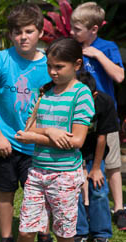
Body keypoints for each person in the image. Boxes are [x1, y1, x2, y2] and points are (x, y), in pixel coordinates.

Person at [0, 38, 95, 242]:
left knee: (64, 233)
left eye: (58, 67)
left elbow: (76, 141)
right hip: (37, 172)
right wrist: (50, 131)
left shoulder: (81, 95)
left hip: (65, 176)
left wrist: (38, 133)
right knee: (26, 230)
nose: (52, 72)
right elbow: (25, 132)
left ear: (76, 64)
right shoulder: (43, 93)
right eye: (49, 66)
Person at [0, 3, 52, 242]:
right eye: (17, 32)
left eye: (29, 31)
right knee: (5, 191)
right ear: (10, 35)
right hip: (4, 140)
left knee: (40, 193)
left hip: (38, 143)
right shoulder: (1, 60)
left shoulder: (50, 65)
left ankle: (44, 238)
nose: (23, 37)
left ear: (40, 32)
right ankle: (7, 240)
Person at [70, 2, 126, 230]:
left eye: (77, 29)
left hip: (105, 115)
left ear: (93, 29)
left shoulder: (108, 47)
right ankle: (84, 206)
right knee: (82, 162)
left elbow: (119, 76)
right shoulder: (72, 48)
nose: (72, 33)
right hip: (79, 116)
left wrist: (97, 55)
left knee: (111, 165)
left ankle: (119, 208)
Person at [75, 71, 119, 242]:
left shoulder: (104, 102)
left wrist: (95, 168)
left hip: (95, 150)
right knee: (74, 189)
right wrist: (78, 166)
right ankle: (78, 231)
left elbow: (102, 137)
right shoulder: (67, 100)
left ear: (93, 95)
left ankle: (101, 233)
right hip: (71, 151)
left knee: (98, 188)